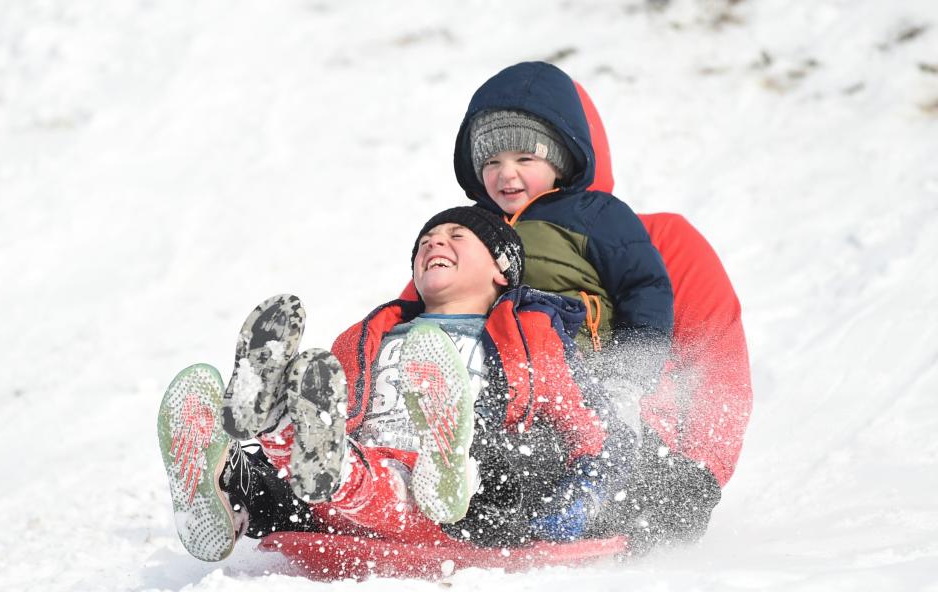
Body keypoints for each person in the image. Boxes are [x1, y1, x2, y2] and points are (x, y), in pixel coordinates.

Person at [157, 206, 635, 561]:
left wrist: (577, 502)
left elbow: (591, 430)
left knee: (485, 470)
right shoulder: (374, 334)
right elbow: (323, 409)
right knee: (305, 451)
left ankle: (441, 467)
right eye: (425, 241)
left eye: (456, 235)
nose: (434, 243)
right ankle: (233, 464)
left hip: (460, 504)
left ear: (500, 269)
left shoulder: (529, 335)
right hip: (350, 475)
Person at [444, 61, 752, 552]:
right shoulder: (468, 242)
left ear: (570, 151)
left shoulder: (663, 241)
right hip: (491, 433)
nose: (509, 173)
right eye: (494, 158)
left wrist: (700, 475)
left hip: (625, 444)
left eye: (528, 155)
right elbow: (415, 332)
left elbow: (716, 368)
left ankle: (536, 500)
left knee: (569, 441)